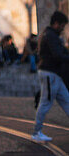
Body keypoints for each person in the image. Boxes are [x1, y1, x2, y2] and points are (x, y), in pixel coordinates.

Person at [32, 10, 69, 144]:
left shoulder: (49, 34)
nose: (63, 28)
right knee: (45, 103)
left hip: (54, 74)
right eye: (62, 26)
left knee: (67, 101)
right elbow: (58, 55)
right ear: (56, 23)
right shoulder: (51, 36)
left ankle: (37, 132)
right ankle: (37, 132)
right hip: (50, 73)